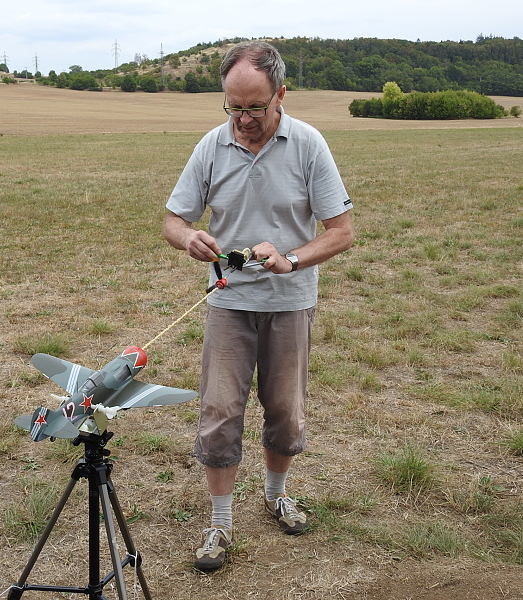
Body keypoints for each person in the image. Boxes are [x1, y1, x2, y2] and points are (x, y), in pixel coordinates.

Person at [162, 40, 355, 571]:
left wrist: (291, 260)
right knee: (220, 409)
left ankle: (274, 495)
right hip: (229, 303)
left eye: (255, 107)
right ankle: (220, 524)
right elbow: (173, 220)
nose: (243, 120)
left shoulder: (309, 145)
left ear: (281, 95)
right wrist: (187, 239)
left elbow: (341, 232)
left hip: (290, 302)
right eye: (233, 107)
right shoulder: (211, 146)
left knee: (286, 409)